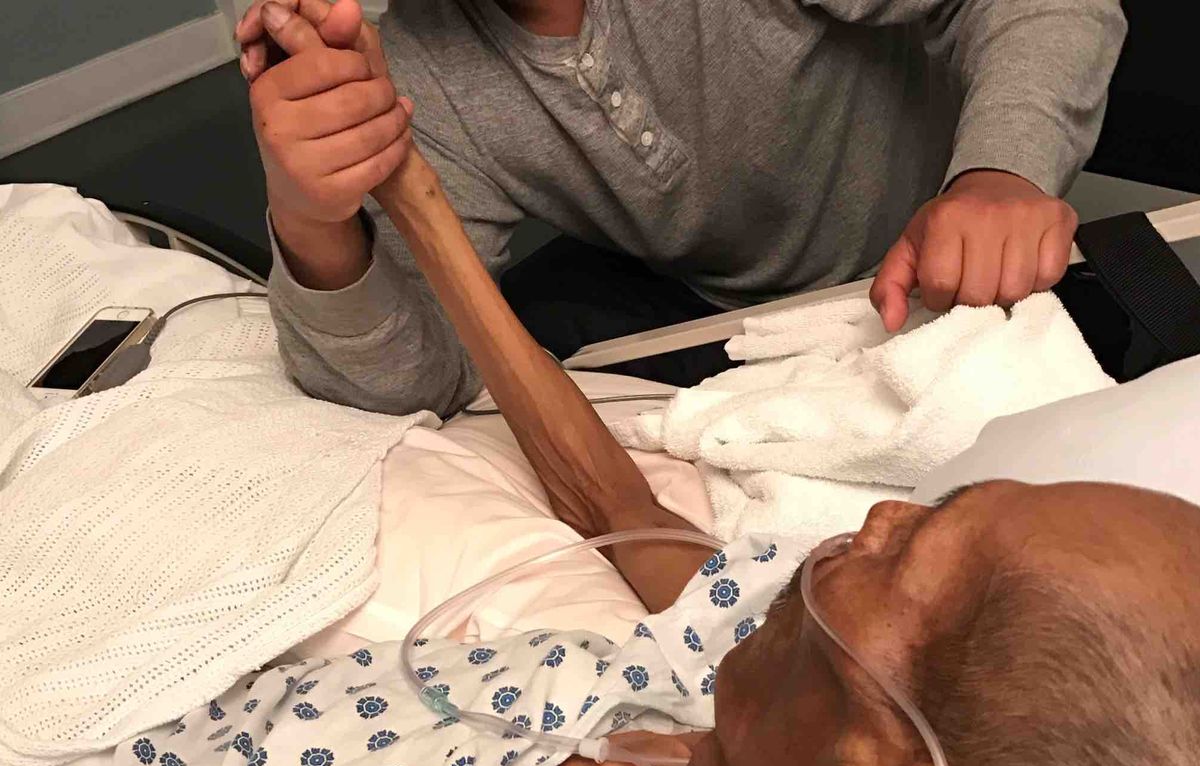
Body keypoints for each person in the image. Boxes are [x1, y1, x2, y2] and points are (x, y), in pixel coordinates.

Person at [2, 18, 1195, 766]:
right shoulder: (751, 676)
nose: (872, 518)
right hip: (167, 650)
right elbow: (571, 478)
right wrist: (381, 205)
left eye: (914, 547)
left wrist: (997, 169)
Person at [235, 0, 1125, 412]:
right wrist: (313, 216)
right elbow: (412, 384)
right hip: (706, 312)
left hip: (938, 280)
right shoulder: (411, 71)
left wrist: (1000, 174)